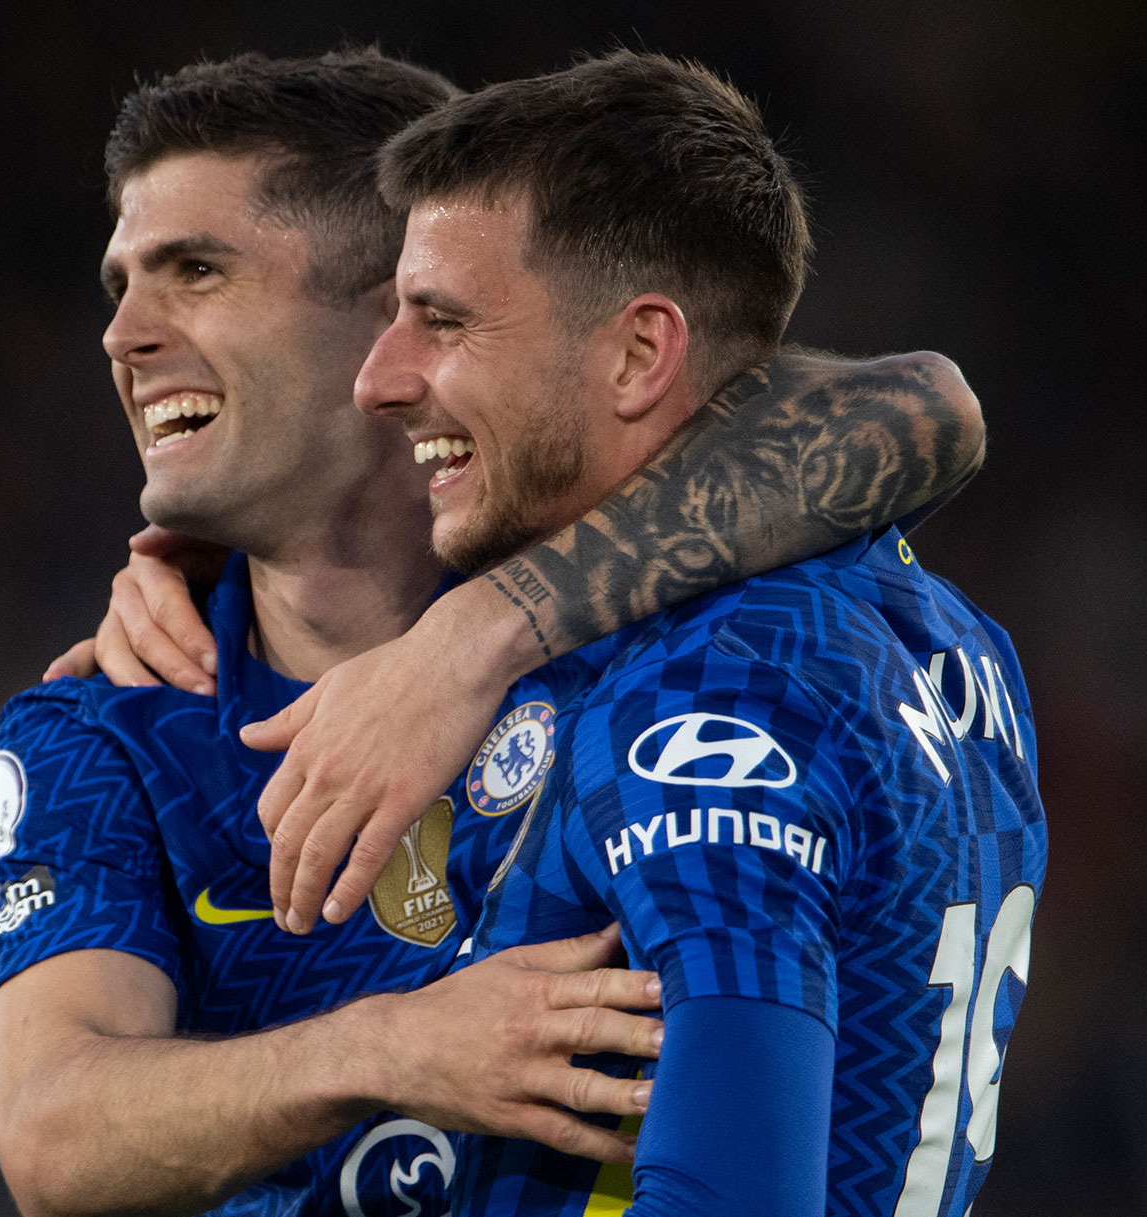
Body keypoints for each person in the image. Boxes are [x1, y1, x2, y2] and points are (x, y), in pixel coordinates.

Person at [0, 50, 988, 1217]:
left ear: (388, 316)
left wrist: (478, 636)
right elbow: (53, 1131)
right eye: (121, 283)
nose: (122, 335)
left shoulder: (661, 648)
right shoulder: (111, 720)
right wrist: (386, 1048)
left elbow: (919, 407)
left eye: (194, 271)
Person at [292, 51, 1040, 1215]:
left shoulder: (705, 691)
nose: (380, 378)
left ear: (640, 353)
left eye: (440, 319)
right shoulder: (947, 637)